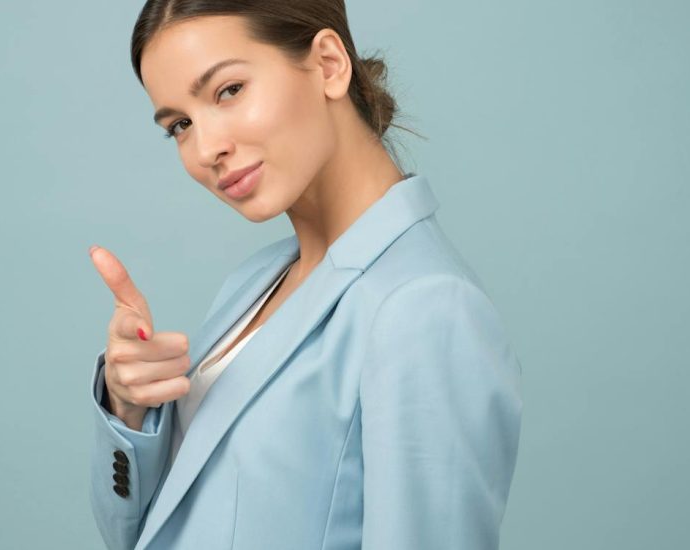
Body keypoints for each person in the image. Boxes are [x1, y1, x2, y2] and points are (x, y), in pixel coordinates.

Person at [86, 2, 523, 549]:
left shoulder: (425, 308)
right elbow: (140, 534)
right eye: (180, 125)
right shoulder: (253, 282)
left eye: (228, 90)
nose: (206, 148)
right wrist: (130, 406)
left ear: (329, 64)